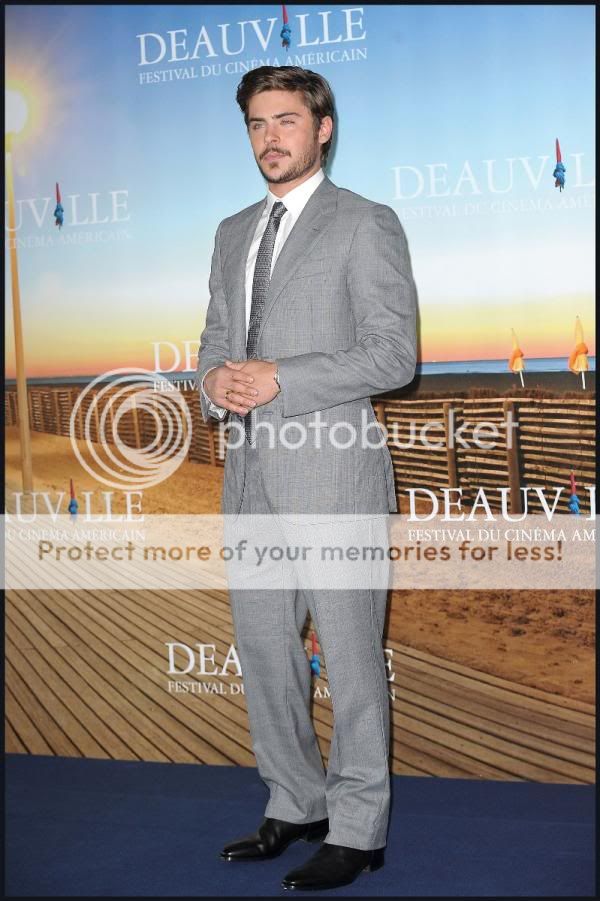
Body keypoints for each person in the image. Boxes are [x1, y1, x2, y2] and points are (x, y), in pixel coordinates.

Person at [196, 65, 417, 892]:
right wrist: (213, 382)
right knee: (264, 652)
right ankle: (295, 801)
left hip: (333, 474)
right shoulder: (230, 232)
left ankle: (358, 828)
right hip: (249, 474)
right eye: (257, 123)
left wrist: (282, 377)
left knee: (351, 659)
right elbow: (215, 339)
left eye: (286, 120)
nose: (270, 137)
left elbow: (394, 355)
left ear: (322, 128)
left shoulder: (365, 222)